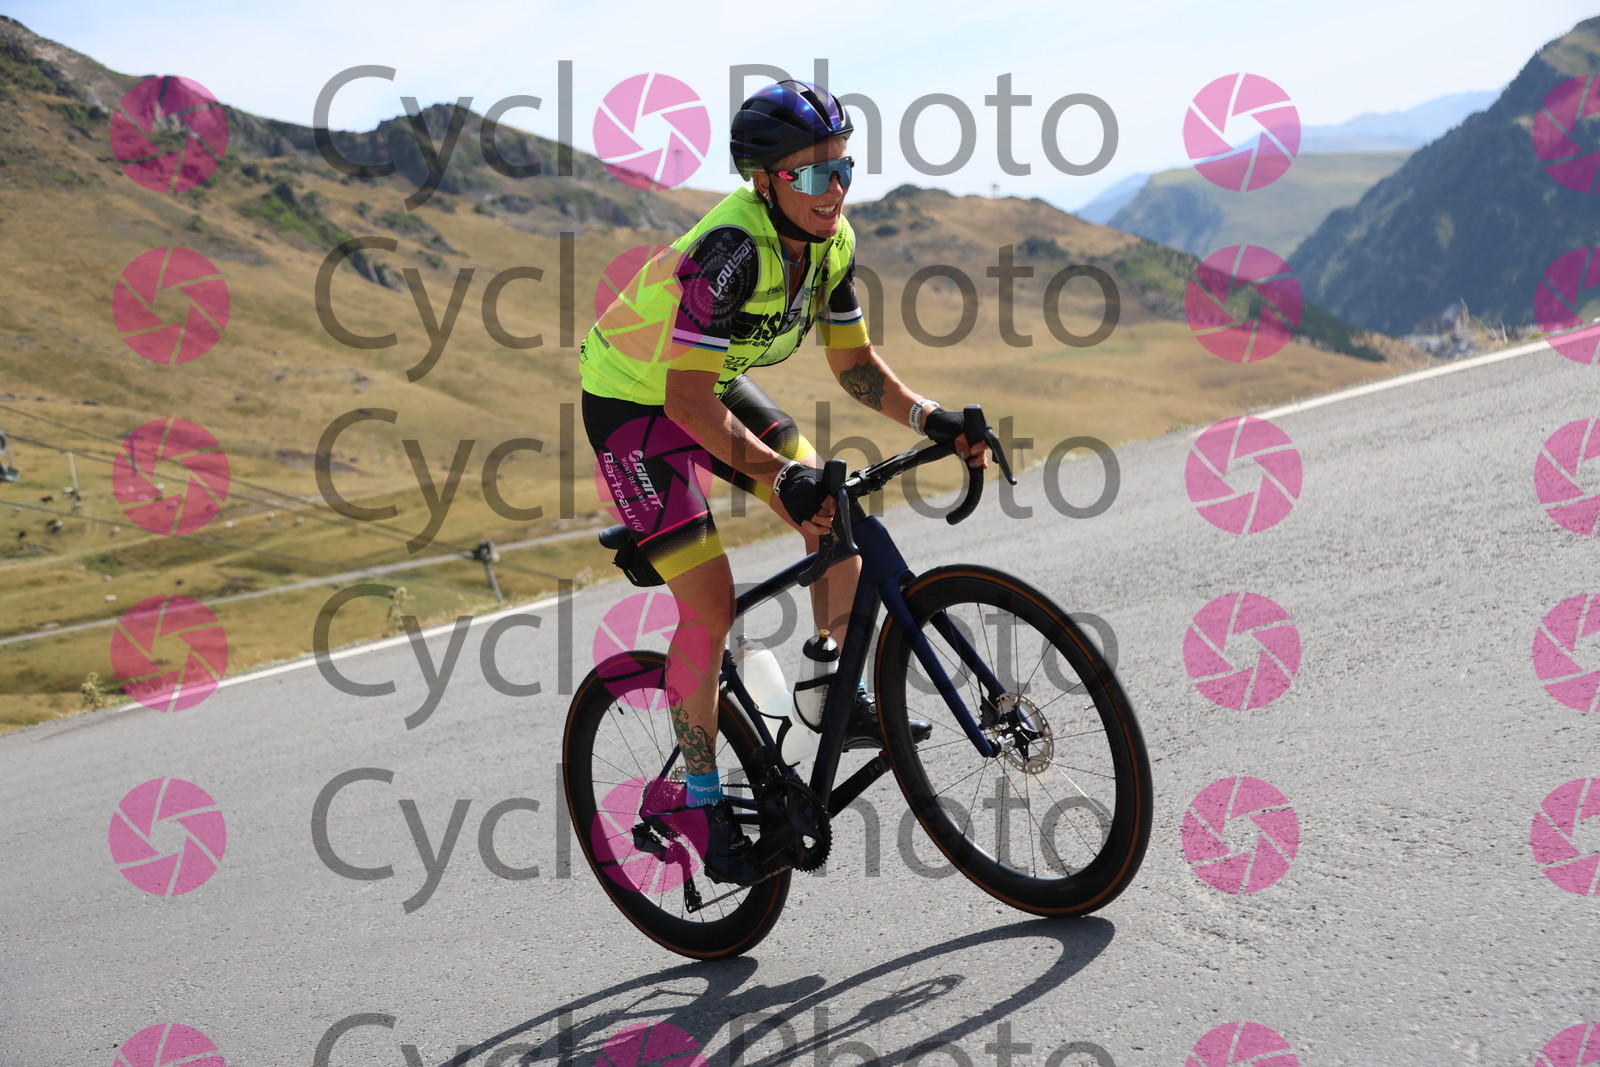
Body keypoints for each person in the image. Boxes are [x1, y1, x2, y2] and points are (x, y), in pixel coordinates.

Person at [578, 80, 989, 884]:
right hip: (634, 402)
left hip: (707, 381)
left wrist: (931, 418)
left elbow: (855, 365)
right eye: (813, 174)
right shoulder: (730, 253)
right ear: (765, 182)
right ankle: (698, 798)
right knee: (710, 603)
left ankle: (827, 689)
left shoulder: (831, 243)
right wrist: (777, 477)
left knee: (833, 507)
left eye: (844, 168)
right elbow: (683, 403)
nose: (834, 190)